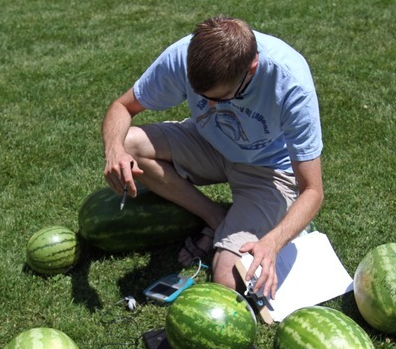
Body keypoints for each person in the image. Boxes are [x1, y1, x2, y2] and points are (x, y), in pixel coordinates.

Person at [103, 15, 323, 299]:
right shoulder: (183, 55)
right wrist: (114, 151)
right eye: (200, 95)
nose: (208, 104)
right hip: (209, 143)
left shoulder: (291, 84)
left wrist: (273, 242)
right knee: (129, 142)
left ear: (252, 68)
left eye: (219, 99)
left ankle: (245, 223)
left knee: (226, 279)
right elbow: (123, 107)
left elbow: (313, 191)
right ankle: (215, 216)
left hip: (267, 170)